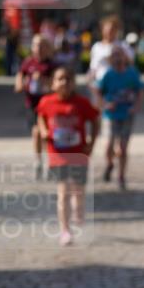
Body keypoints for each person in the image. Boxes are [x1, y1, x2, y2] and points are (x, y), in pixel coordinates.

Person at [37, 66, 99, 246]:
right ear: (53, 83)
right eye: (60, 79)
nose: (64, 82)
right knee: (63, 192)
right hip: (57, 154)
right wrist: (43, 130)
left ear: (73, 83)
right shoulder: (47, 101)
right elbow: (40, 116)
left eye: (68, 79)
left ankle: (78, 209)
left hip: (78, 154)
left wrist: (91, 143)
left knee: (78, 190)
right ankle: (65, 230)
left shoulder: (81, 103)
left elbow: (95, 120)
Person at [98, 44, 143, 189]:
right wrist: (105, 104)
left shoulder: (132, 73)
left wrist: (136, 106)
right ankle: (110, 164)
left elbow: (139, 90)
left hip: (127, 114)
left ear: (125, 57)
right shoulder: (108, 74)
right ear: (111, 59)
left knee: (123, 148)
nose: (117, 58)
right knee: (109, 144)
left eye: (120, 55)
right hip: (111, 114)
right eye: (114, 55)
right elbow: (99, 91)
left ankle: (121, 176)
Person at [15, 34, 55, 179]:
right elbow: (20, 75)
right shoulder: (28, 62)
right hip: (32, 104)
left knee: (46, 134)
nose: (38, 48)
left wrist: (44, 80)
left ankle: (50, 161)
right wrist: (20, 84)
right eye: (35, 45)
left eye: (41, 45)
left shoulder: (51, 65)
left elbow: (56, 85)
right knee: (36, 132)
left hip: (48, 105)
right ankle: (38, 161)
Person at [87, 16, 134, 106]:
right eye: (107, 29)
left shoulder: (122, 45)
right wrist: (90, 81)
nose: (109, 31)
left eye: (112, 29)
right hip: (100, 85)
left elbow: (130, 63)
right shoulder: (97, 47)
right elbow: (93, 67)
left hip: (118, 85)